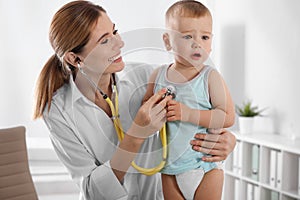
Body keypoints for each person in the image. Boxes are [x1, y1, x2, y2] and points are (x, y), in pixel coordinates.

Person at [33, 1, 236, 199]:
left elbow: (202, 113)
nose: (120, 43)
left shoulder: (149, 77)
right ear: (75, 59)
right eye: (104, 40)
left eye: (115, 31)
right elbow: (92, 191)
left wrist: (228, 140)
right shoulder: (57, 111)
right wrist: (136, 134)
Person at [142, 1, 235, 199]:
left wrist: (188, 114)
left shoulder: (211, 77)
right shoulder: (157, 75)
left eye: (204, 37)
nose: (197, 43)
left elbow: (227, 117)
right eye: (187, 36)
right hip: (169, 170)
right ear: (167, 41)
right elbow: (145, 113)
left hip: (205, 165)